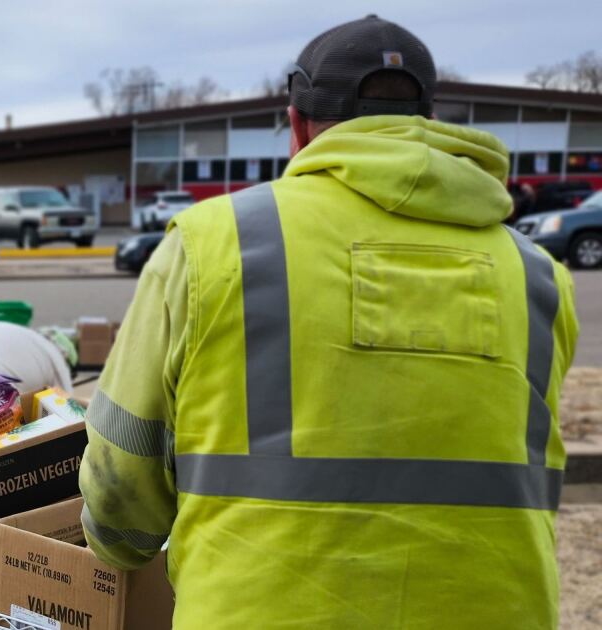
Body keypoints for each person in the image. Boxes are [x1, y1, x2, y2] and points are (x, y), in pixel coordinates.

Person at [79, 15, 578, 628]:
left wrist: (121, 544)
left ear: (296, 125)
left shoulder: (213, 245)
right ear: (427, 120)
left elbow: (122, 483)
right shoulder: (538, 275)